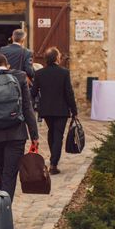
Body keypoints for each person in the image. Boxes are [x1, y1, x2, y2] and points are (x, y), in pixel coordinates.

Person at [0, 53, 39, 201]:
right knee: (10, 174)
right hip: (16, 134)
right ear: (7, 65)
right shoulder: (20, 77)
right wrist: (34, 136)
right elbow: (27, 107)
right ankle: (6, 207)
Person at [31, 47, 78, 175]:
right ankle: (53, 164)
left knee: (51, 132)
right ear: (57, 58)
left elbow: (33, 92)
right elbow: (69, 93)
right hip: (61, 110)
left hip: (46, 109)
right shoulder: (64, 73)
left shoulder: (40, 73)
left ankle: (53, 159)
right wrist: (74, 110)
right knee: (58, 135)